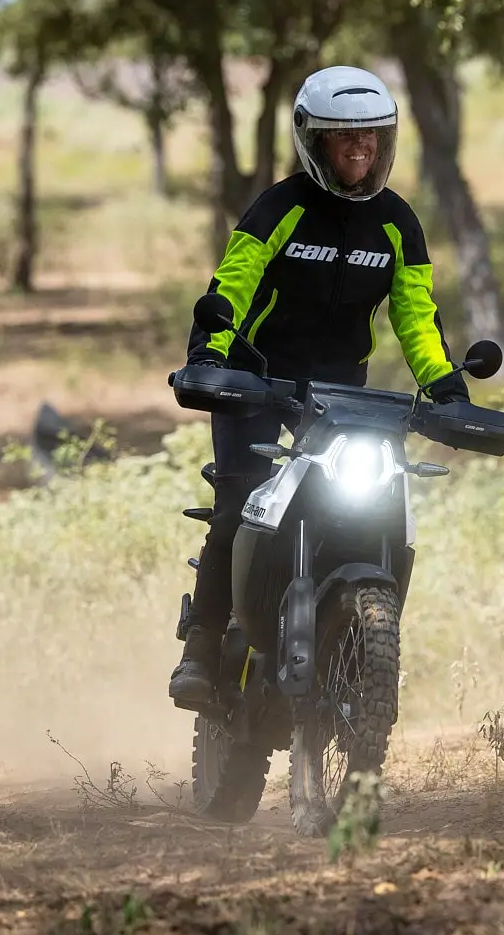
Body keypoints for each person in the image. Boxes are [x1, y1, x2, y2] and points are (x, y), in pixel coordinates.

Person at [169, 65, 470, 707]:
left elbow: (416, 315)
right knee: (239, 502)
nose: (360, 149)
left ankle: (356, 635)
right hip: (255, 380)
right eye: (344, 138)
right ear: (315, 141)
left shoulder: (396, 224)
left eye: (371, 138)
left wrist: (448, 389)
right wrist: (210, 359)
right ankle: (202, 643)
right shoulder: (279, 208)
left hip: (342, 394)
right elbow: (234, 283)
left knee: (369, 503)